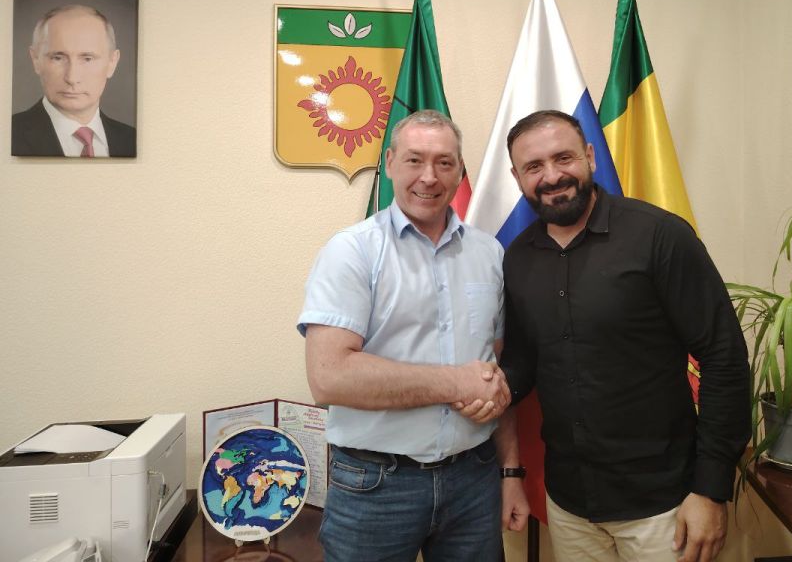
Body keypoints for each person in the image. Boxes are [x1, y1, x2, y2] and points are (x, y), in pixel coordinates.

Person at [492, 110, 751, 562]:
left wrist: (711, 490)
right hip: (569, 505)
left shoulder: (660, 236)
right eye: (533, 166)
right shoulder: (517, 258)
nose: (551, 176)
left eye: (563, 158)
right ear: (517, 178)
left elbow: (723, 356)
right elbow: (525, 360)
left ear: (590, 157)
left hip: (664, 507)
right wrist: (487, 388)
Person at [298, 110, 513, 562]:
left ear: (460, 170)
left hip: (473, 480)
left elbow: (491, 368)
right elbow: (329, 377)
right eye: (415, 160)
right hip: (376, 486)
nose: (429, 177)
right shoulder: (352, 251)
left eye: (444, 163)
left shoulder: (489, 253)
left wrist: (510, 467)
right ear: (391, 162)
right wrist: (456, 383)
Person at [11, 4, 135, 157]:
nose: (72, 78)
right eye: (58, 58)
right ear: (36, 60)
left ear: (112, 63)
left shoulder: (131, 139)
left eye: (87, 59)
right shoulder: (8, 133)